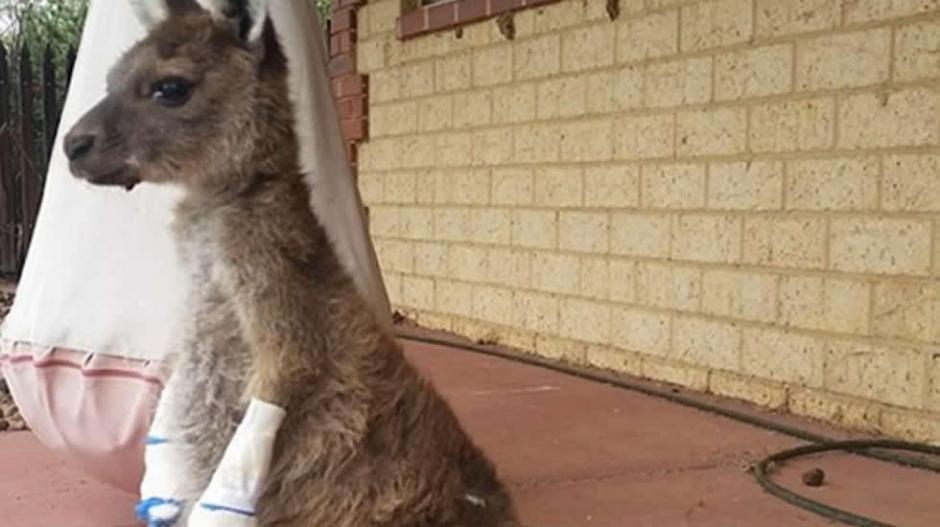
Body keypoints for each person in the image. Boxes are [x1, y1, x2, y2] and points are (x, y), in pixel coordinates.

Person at [0, 0, 390, 492]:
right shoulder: (203, 219)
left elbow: (290, 363)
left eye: (170, 91)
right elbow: (205, 348)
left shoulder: (267, 229)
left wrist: (229, 494)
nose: (82, 132)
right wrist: (166, 456)